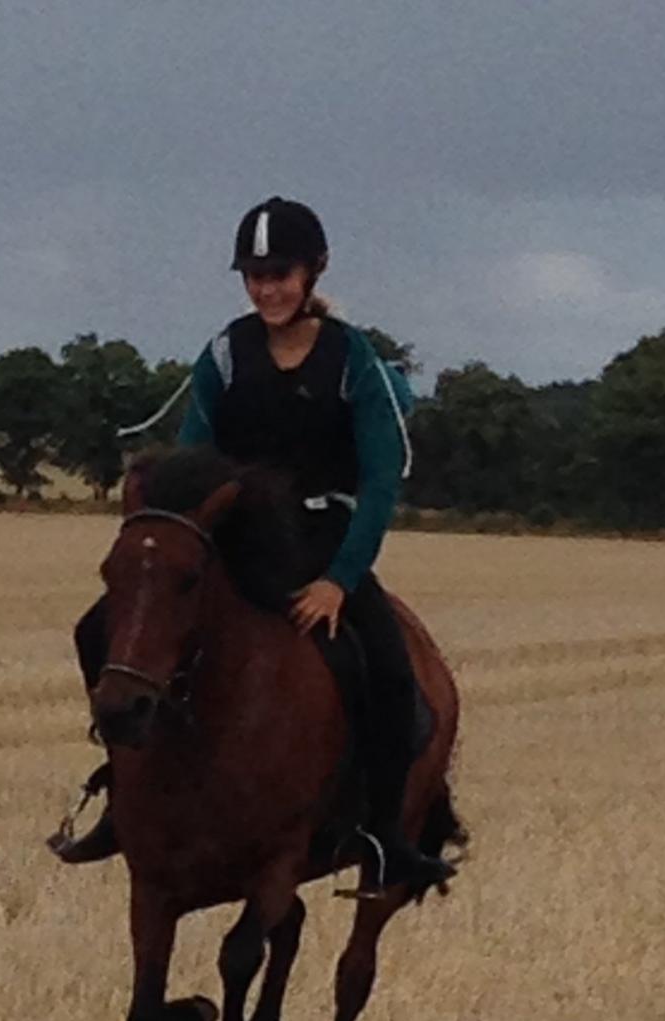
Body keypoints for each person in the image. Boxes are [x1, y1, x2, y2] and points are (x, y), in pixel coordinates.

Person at [52, 196, 453, 894]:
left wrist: (340, 581)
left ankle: (385, 835)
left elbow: (384, 480)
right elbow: (193, 456)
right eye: (254, 274)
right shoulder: (225, 354)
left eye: (280, 273)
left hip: (325, 541)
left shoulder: (354, 360)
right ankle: (126, 795)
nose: (266, 288)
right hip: (238, 537)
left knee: (388, 671)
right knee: (98, 628)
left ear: (313, 272)